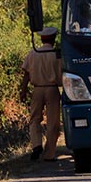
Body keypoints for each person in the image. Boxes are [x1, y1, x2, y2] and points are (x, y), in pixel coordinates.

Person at [20, 27, 62, 161]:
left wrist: (23, 91)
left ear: (42, 38)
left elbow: (26, 74)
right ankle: (49, 153)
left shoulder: (33, 53)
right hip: (52, 89)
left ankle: (36, 145)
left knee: (35, 119)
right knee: (53, 121)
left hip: (37, 89)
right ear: (53, 39)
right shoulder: (57, 54)